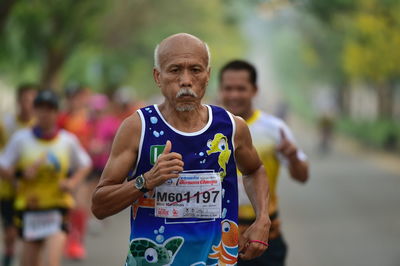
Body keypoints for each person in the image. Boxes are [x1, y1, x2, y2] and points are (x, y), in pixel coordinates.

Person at [92, 33, 271, 265]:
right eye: (175, 70)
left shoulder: (230, 127)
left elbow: (254, 169)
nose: (186, 80)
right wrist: (145, 180)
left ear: (207, 75)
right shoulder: (138, 127)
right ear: (158, 76)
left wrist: (263, 220)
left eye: (195, 70)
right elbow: (99, 205)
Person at [219, 60, 309, 266]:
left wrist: (294, 157)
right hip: (217, 238)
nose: (234, 95)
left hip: (264, 237)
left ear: (254, 90)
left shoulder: (275, 128)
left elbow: (302, 176)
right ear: (220, 90)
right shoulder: (207, 128)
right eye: (228, 88)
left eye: (241, 88)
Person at [0, 90, 92, 266]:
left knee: (51, 262)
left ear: (57, 113)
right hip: (30, 209)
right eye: (40, 109)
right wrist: (20, 174)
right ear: (34, 111)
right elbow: (3, 166)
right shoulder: (21, 139)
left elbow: (85, 164)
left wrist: (72, 182)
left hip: (57, 209)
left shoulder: (67, 141)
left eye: (49, 109)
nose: (45, 114)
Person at [0, 84, 37, 266]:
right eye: (25, 100)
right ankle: (8, 253)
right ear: (18, 101)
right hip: (8, 188)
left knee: (28, 233)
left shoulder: (39, 128)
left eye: (32, 101)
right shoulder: (5, 125)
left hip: (32, 191)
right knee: (10, 231)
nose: (28, 105)